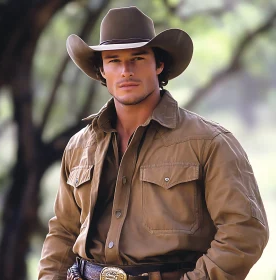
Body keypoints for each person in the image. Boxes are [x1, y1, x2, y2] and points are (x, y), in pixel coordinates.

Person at [38, 6, 269, 280]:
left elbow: (244, 230)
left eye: (137, 58)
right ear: (101, 70)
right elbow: (63, 232)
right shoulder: (79, 146)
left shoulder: (209, 142)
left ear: (159, 65)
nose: (126, 71)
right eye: (114, 60)